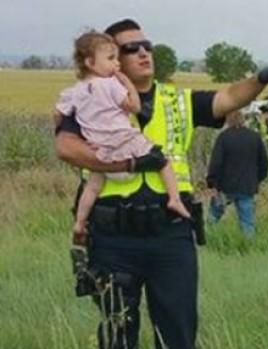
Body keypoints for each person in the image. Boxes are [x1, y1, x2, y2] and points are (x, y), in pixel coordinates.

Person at [54, 18, 268, 349]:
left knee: (179, 329)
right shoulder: (90, 96)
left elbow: (229, 97)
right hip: (114, 236)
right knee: (118, 330)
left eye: (146, 45)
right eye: (130, 48)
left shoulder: (177, 100)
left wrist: (261, 78)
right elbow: (66, 147)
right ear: (110, 59)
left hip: (171, 233)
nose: (143, 52)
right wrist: (129, 164)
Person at [55, 31, 190, 245]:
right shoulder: (110, 85)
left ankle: (80, 223)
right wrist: (126, 83)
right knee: (162, 161)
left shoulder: (74, 92)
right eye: (111, 59)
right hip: (125, 143)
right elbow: (134, 106)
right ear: (90, 62)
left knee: (92, 187)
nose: (116, 64)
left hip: (101, 152)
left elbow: (58, 115)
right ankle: (174, 199)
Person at [206, 110, 268, 237]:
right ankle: (248, 248)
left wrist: (212, 183)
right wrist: (257, 180)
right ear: (243, 119)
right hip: (247, 186)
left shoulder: (224, 137)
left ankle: (205, 240)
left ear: (228, 120)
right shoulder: (254, 137)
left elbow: (215, 163)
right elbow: (264, 163)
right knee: (247, 222)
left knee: (213, 217)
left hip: (225, 186)